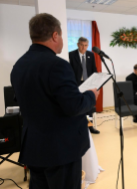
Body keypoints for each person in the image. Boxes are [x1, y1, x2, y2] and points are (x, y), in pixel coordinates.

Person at [10, 13, 99, 189]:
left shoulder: (19, 65)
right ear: (55, 35)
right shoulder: (58, 65)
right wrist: (91, 95)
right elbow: (74, 106)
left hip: (34, 147)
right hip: (60, 150)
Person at [69, 37, 100, 134]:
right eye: (81, 45)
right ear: (78, 44)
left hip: (89, 84)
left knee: (89, 106)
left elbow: (94, 70)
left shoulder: (90, 54)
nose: (83, 47)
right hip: (77, 84)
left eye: (85, 45)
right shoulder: (71, 55)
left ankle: (90, 126)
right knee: (79, 106)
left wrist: (95, 85)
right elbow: (70, 71)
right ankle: (79, 127)